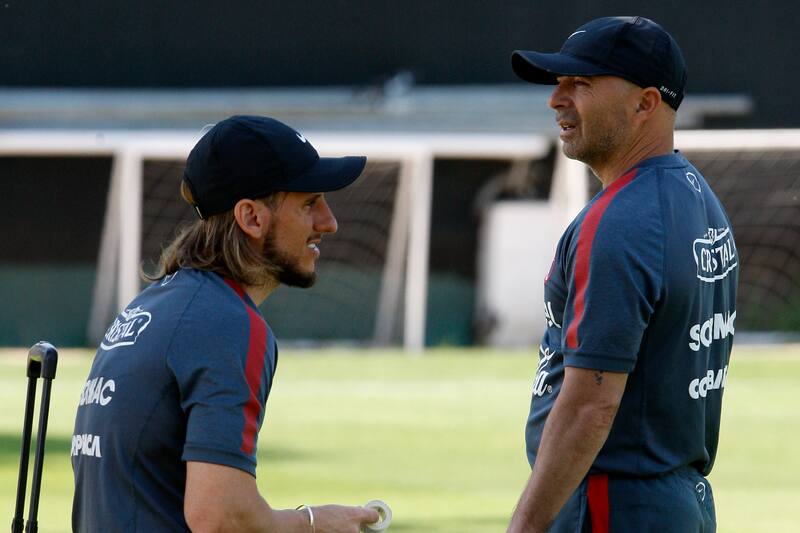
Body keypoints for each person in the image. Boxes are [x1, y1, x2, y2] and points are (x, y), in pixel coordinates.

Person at [71, 115, 380, 532]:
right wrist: (313, 523)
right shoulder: (228, 322)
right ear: (252, 217)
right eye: (309, 204)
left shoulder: (154, 306)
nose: (329, 222)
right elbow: (219, 517)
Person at [507, 17, 738, 533]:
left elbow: (590, 402)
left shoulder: (619, 221)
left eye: (581, 84)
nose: (556, 99)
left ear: (646, 104)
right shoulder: (700, 201)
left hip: (615, 505)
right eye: (559, 83)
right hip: (679, 499)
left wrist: (524, 527)